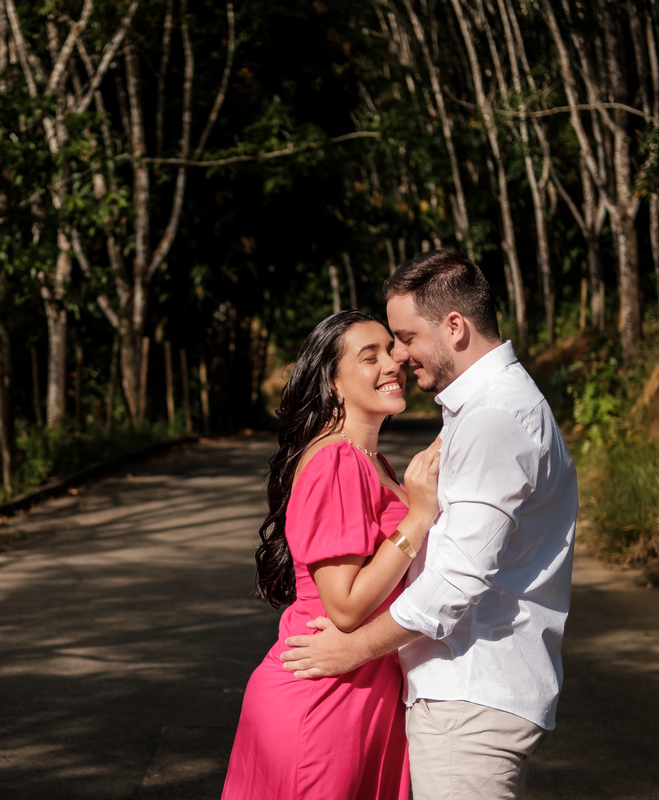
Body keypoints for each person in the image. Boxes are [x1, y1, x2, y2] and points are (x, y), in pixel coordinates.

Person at [281, 250, 578, 800]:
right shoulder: (483, 412)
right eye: (381, 347)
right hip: (437, 693)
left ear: (455, 327)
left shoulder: (492, 419)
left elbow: (456, 582)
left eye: (404, 337)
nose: (398, 355)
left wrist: (354, 649)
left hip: (467, 693)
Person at [222, 310, 442, 800]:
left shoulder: (371, 462)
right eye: (371, 357)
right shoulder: (337, 460)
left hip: (361, 692)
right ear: (333, 384)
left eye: (391, 349)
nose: (393, 363)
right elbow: (343, 606)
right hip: (324, 698)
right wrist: (418, 517)